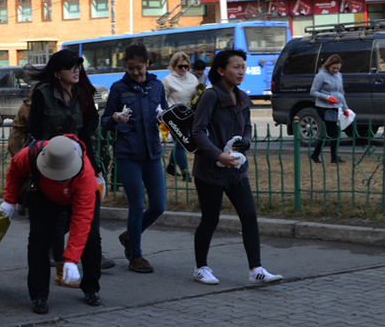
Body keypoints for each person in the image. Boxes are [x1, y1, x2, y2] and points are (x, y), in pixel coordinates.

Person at [191, 49, 284, 285]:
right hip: (210, 171)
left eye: (243, 66)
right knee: (210, 219)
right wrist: (218, 155)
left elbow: (248, 129)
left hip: (236, 171)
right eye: (236, 67)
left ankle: (256, 269)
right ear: (221, 71)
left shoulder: (243, 97)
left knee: (249, 215)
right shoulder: (210, 96)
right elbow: (198, 131)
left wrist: (246, 144)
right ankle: (201, 267)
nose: (241, 71)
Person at [24, 49, 112, 288]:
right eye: (71, 67)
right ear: (56, 73)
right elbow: (33, 133)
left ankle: (91, 287)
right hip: (50, 166)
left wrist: (94, 167)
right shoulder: (42, 94)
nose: (76, 70)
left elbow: (88, 128)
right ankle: (50, 282)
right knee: (47, 230)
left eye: (78, 67)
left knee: (89, 232)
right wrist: (50, 150)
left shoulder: (83, 94)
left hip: (79, 166)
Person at [0, 135, 98, 313]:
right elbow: (15, 170)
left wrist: (71, 259)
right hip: (44, 197)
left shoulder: (85, 176)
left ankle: (91, 288)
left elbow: (81, 221)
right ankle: (39, 295)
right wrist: (10, 200)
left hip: (75, 199)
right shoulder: (32, 153)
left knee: (91, 240)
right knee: (38, 241)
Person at [100, 43, 167, 274]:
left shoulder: (157, 86)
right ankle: (136, 256)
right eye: (130, 69)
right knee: (137, 205)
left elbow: (166, 116)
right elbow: (105, 120)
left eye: (138, 67)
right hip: (128, 153)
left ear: (147, 63)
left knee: (158, 205)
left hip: (152, 152)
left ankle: (129, 236)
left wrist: (164, 120)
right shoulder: (119, 88)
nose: (135, 73)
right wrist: (115, 118)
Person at [162, 51, 199, 182]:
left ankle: (171, 166)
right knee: (181, 143)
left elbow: (196, 95)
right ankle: (185, 172)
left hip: (188, 116)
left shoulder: (193, 78)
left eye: (186, 66)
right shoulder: (167, 81)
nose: (183, 69)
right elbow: (162, 99)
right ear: (174, 66)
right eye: (180, 66)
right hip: (173, 117)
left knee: (182, 143)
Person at [309, 54, 348, 164]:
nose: (335, 70)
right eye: (333, 68)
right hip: (323, 106)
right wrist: (327, 97)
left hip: (335, 106)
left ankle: (315, 154)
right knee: (334, 132)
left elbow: (341, 93)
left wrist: (345, 108)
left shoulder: (339, 75)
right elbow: (313, 92)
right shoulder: (321, 75)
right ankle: (334, 158)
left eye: (338, 68)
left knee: (328, 133)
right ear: (328, 65)